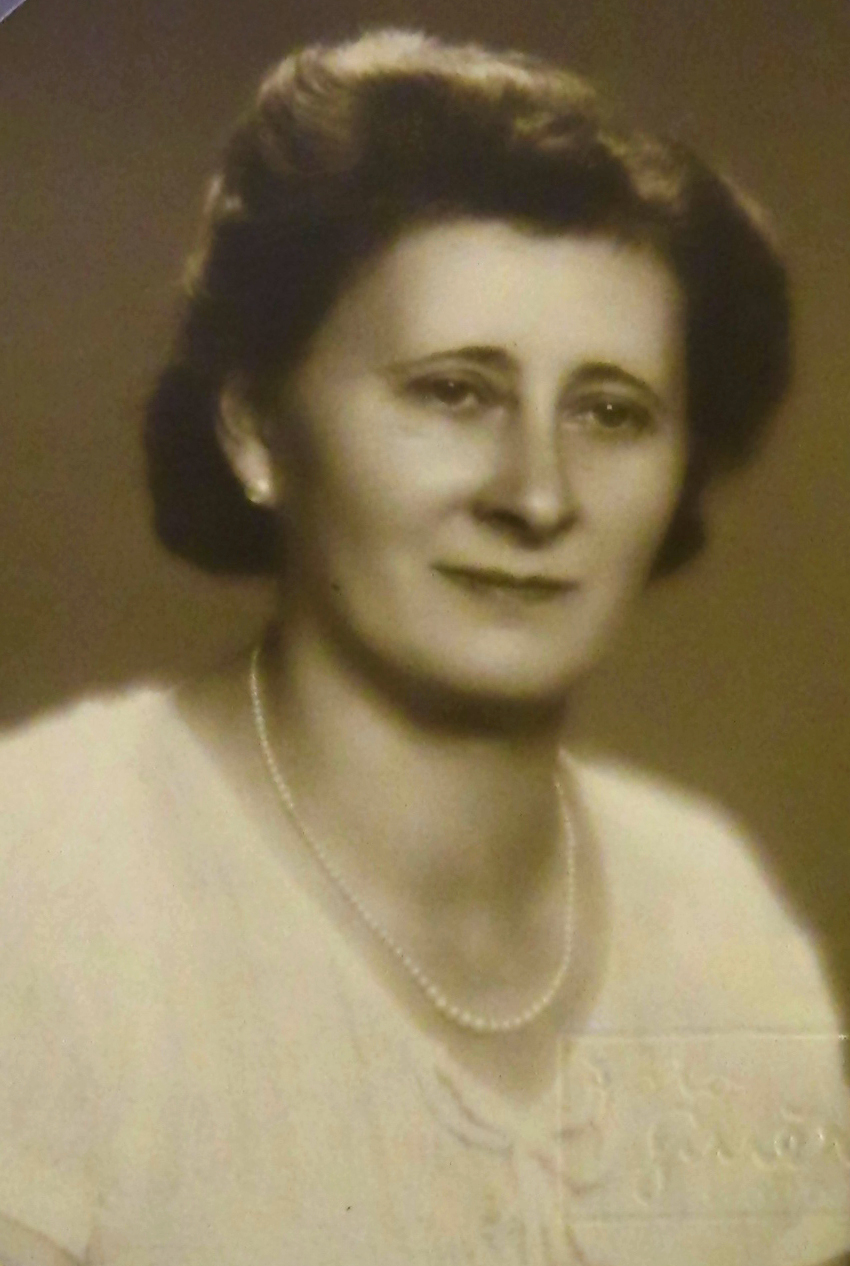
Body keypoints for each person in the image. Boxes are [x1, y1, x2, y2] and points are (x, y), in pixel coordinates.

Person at [0, 28, 847, 1266]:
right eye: (455, 391)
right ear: (255, 432)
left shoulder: (713, 916)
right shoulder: (42, 890)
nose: (538, 494)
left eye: (611, 412)